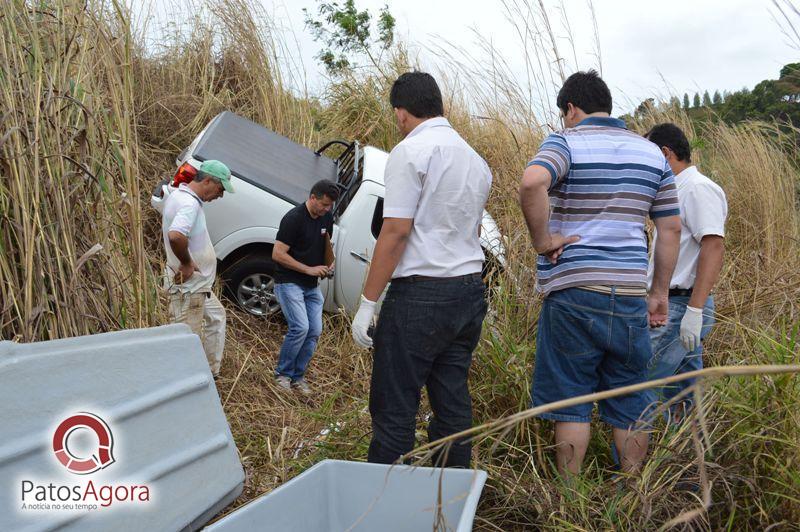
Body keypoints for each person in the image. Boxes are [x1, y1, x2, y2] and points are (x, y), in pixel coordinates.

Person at [519, 70, 682, 475]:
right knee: (630, 400)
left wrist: (543, 241)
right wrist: (658, 292)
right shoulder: (651, 154)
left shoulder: (566, 142)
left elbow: (532, 182)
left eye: (563, 113)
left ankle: (571, 500)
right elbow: (671, 228)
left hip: (575, 289)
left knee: (571, 400)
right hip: (629, 294)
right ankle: (634, 495)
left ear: (572, 108)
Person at [350, 71, 492, 468]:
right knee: (452, 404)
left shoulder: (410, 152)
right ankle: (449, 502)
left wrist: (367, 303)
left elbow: (395, 231)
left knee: (395, 405)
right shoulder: (476, 162)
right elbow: (474, 231)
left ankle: (381, 503)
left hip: (420, 296)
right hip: (467, 292)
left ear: (401, 112)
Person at [644, 123, 727, 416]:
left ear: (666, 154)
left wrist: (695, 310)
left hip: (683, 304)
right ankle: (685, 455)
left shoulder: (697, 189)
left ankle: (636, 458)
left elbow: (713, 245)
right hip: (676, 303)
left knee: (644, 388)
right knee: (681, 393)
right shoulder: (675, 191)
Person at [163, 159, 234, 377]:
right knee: (186, 339)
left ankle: (211, 372)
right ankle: (185, 380)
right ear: (209, 181)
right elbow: (176, 235)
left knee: (217, 317)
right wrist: (186, 263)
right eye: (220, 189)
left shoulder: (180, 196)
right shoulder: (189, 204)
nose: (220, 196)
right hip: (190, 288)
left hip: (200, 285)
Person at [271, 179, 339, 394]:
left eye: (330, 206)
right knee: (300, 327)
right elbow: (278, 254)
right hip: (289, 282)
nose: (328, 209)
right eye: (324, 204)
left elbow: (326, 245)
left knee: (314, 331)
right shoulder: (293, 219)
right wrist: (307, 269)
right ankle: (282, 375)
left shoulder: (326, 217)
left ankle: (297, 377)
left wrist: (330, 262)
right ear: (312, 198)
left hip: (311, 286)